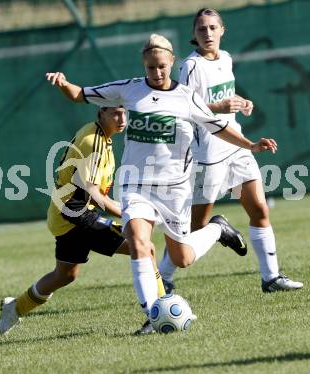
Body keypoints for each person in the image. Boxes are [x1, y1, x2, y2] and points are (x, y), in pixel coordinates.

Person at [45, 33, 277, 334]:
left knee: (182, 258)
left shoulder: (186, 97)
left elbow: (218, 126)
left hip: (174, 189)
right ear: (145, 63)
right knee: (139, 242)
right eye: (151, 67)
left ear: (171, 63)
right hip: (136, 186)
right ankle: (153, 315)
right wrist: (64, 83)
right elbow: (80, 94)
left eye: (162, 67)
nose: (157, 72)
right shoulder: (129, 90)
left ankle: (218, 228)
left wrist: (250, 145)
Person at [159, 8, 303, 293]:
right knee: (194, 226)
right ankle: (163, 275)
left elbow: (223, 98)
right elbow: (183, 107)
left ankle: (271, 277)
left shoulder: (226, 59)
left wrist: (240, 102)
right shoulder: (190, 66)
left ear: (222, 30)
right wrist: (219, 108)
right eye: (202, 29)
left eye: (213, 28)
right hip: (207, 155)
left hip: (236, 147)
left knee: (260, 208)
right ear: (194, 34)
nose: (208, 33)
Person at [0, 106, 166, 335]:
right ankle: (158, 313)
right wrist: (130, 215)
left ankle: (15, 307)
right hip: (75, 213)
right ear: (101, 113)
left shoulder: (101, 137)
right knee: (145, 247)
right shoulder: (92, 141)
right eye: (115, 113)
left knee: (65, 275)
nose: (122, 118)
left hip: (65, 216)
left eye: (124, 112)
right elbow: (94, 193)